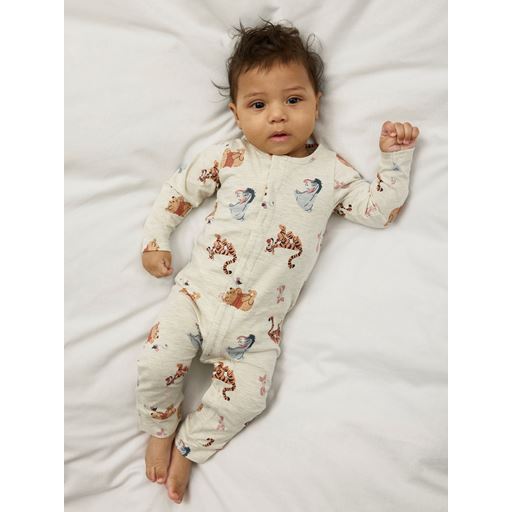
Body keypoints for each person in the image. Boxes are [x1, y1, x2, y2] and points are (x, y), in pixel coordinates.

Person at [136, 18, 420, 504]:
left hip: (257, 326)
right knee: (156, 364)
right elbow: (179, 192)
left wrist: (394, 160)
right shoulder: (228, 158)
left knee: (248, 399)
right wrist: (155, 240)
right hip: (197, 300)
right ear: (235, 113)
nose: (277, 117)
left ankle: (189, 446)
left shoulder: (331, 172)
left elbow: (379, 211)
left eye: (293, 100)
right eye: (258, 105)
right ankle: (161, 427)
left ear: (317, 103)